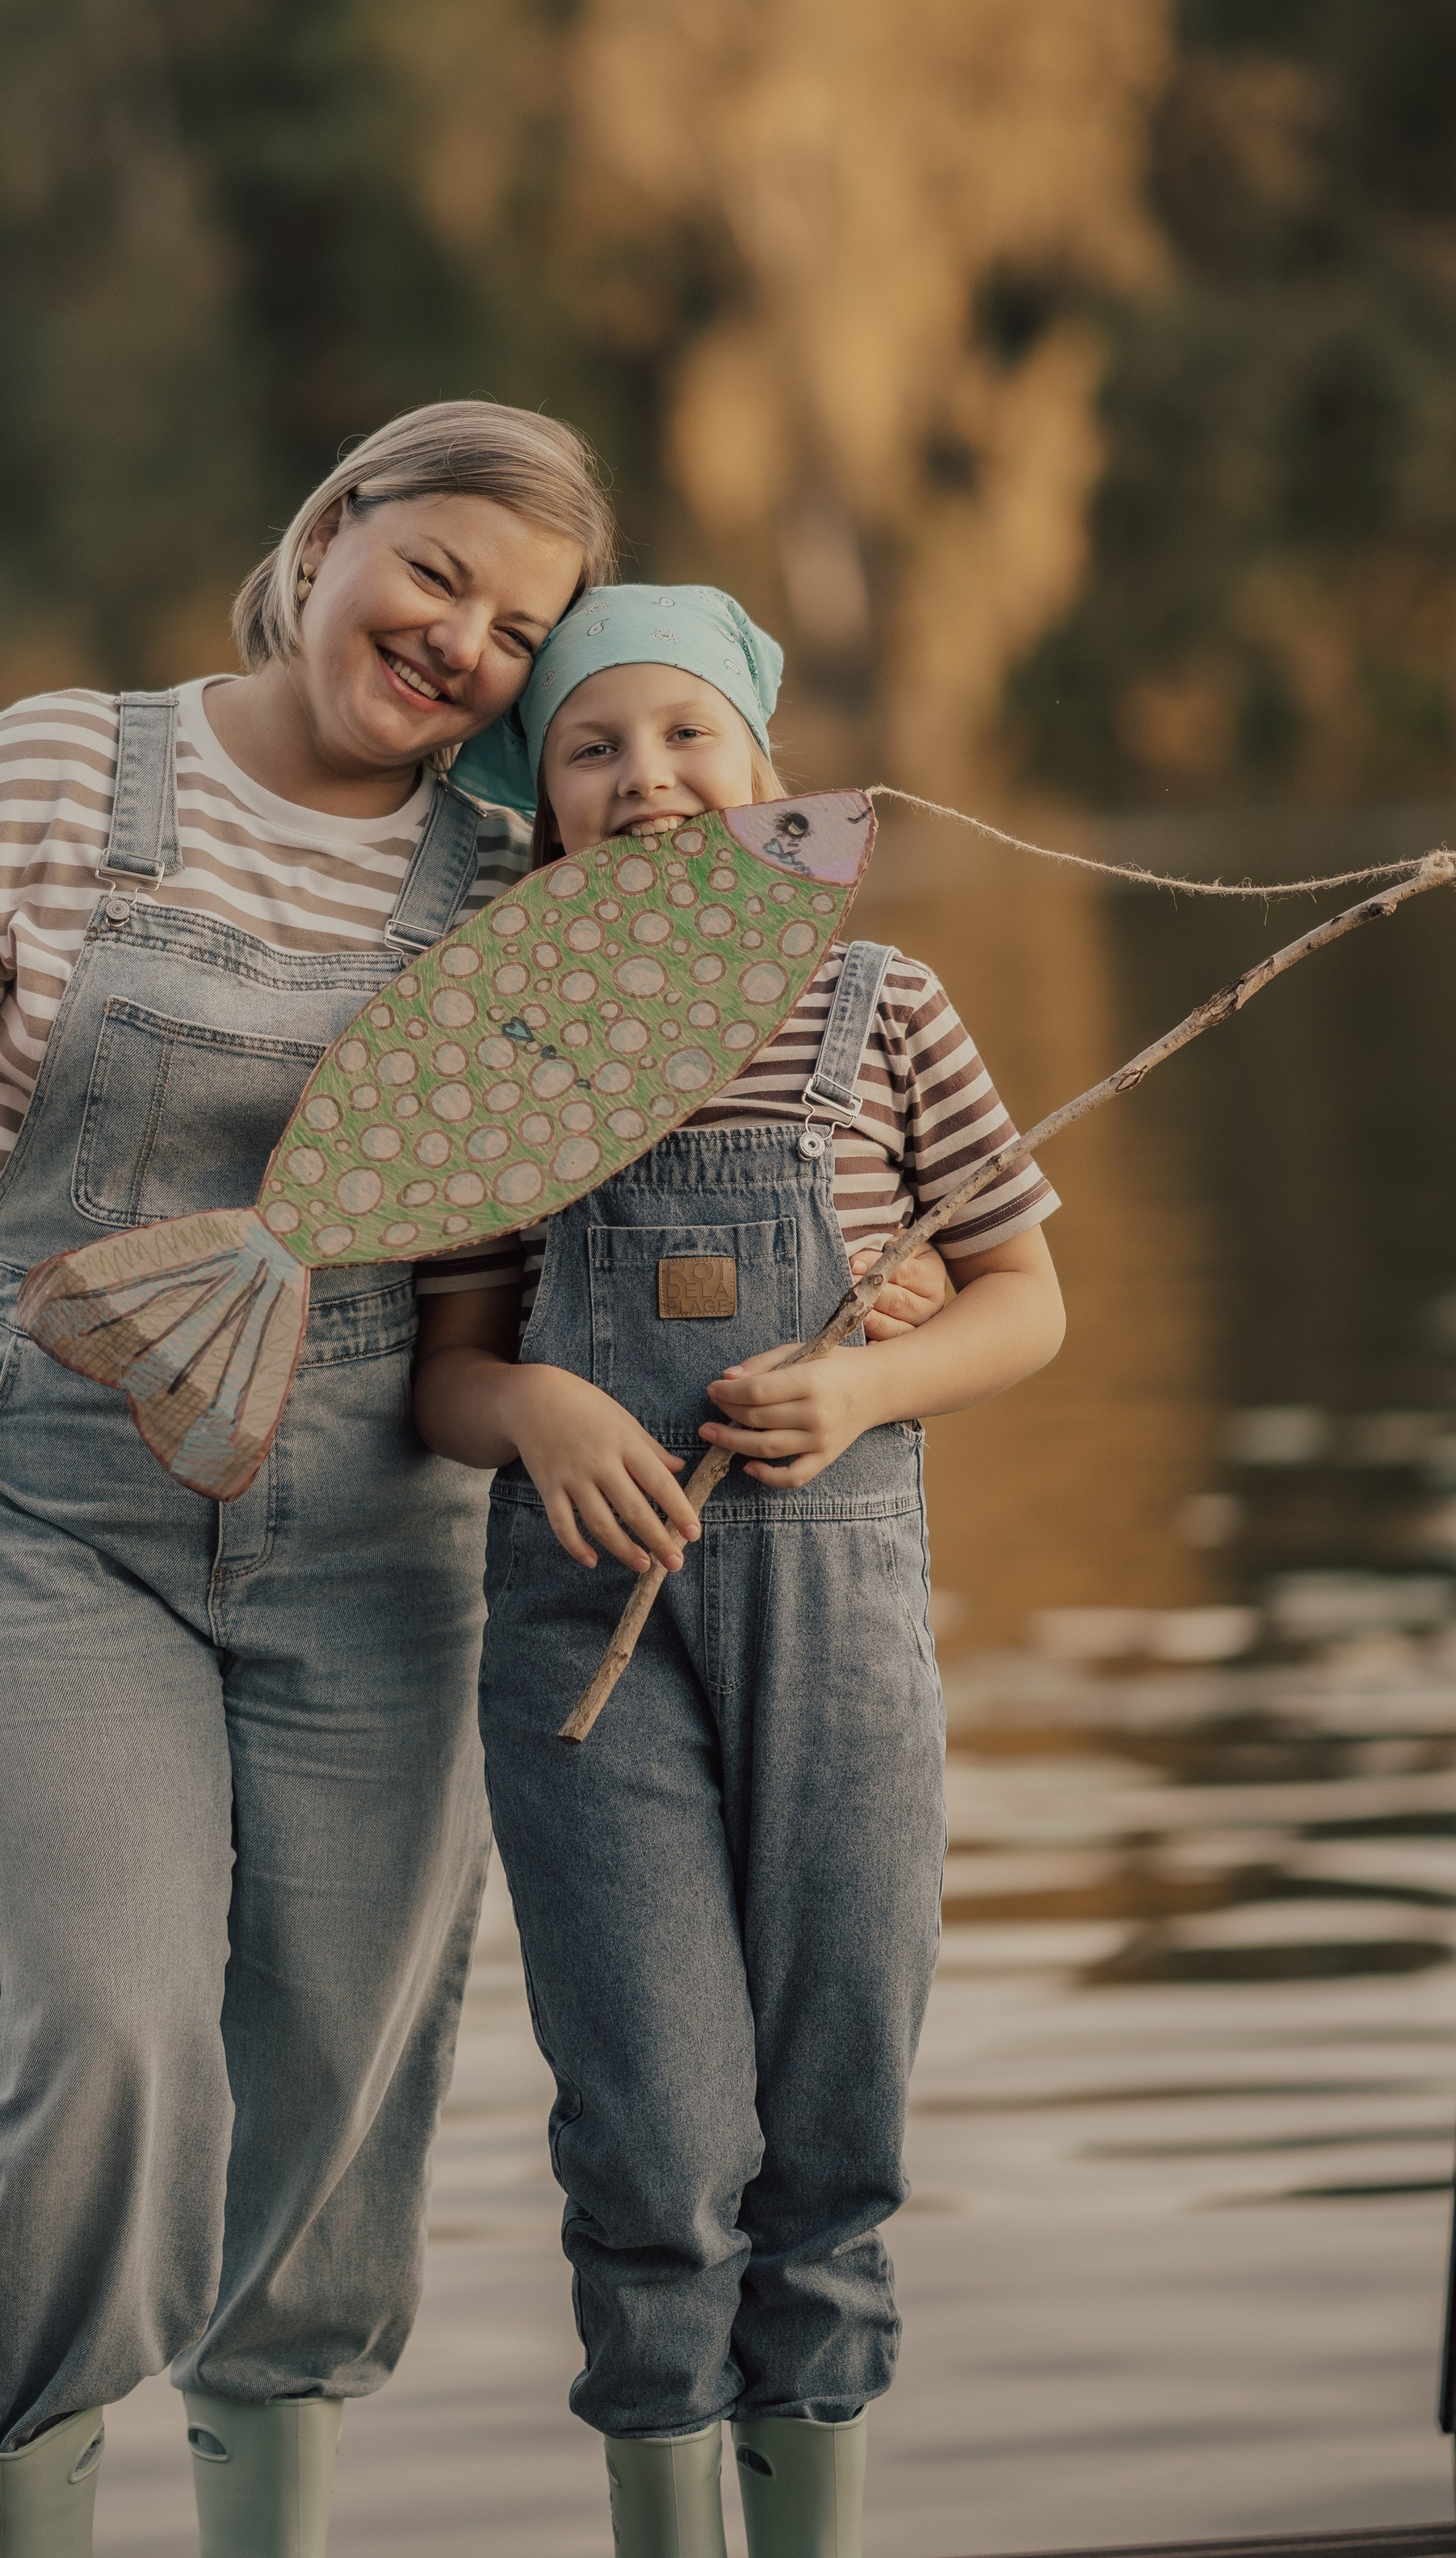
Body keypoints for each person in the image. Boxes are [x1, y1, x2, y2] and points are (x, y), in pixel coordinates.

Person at [0, 402, 611, 2558]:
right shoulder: (59, 766)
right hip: (50, 1505)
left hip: (374, 1527)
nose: (456, 643)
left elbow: (590, 1186)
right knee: (117, 2041)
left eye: (519, 634)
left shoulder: (508, 885)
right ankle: (30, 2489)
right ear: (331, 531)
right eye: (431, 571)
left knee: (334, 2081)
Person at [412, 586, 1068, 2558]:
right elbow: (443, 1373)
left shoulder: (887, 1007)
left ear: (768, 773)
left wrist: (866, 1384)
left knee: (832, 2125)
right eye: (593, 750)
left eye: (688, 735)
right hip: (579, 1653)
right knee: (658, 2141)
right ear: (541, 812)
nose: (649, 780)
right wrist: (534, 1413)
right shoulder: (492, 1043)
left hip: (839, 1626)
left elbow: (1025, 1302)